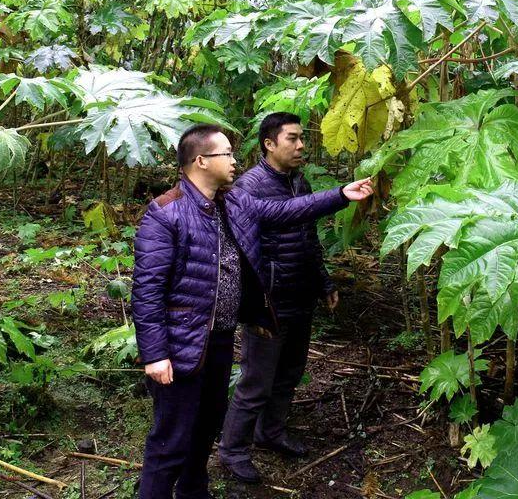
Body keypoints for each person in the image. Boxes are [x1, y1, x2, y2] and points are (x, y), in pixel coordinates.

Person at [131, 124, 372, 499]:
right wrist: (155, 354)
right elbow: (147, 292)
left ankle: (194, 492)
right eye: (226, 153)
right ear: (200, 161)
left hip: (220, 339)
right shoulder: (166, 213)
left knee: (206, 426)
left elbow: (290, 210)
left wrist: (341, 195)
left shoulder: (234, 202)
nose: (233, 160)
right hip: (181, 345)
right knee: (171, 439)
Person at [219, 112, 340, 484]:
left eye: (302, 137)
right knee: (256, 381)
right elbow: (279, 220)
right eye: (292, 138)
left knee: (289, 373)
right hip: (268, 302)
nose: (301, 145)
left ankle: (270, 433)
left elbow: (308, 236)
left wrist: (324, 282)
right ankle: (232, 450)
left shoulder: (298, 182)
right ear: (269, 144)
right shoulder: (248, 187)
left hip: (299, 295)